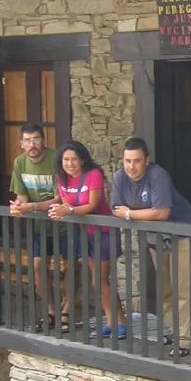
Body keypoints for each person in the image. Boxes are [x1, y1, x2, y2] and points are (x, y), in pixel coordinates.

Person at [110, 137, 191, 357]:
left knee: (184, 288)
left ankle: (186, 340)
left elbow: (161, 212)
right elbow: (115, 209)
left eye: (137, 161)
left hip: (182, 233)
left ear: (146, 160)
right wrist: (137, 214)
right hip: (154, 238)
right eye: (127, 161)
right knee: (167, 289)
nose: (131, 166)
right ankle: (175, 331)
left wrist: (130, 214)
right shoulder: (120, 178)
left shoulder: (158, 175)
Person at [48, 141, 127, 342]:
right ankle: (117, 322)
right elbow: (63, 202)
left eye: (74, 159)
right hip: (86, 233)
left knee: (99, 280)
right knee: (99, 280)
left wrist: (69, 211)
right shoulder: (61, 178)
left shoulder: (93, 175)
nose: (70, 163)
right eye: (66, 159)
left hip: (104, 232)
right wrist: (50, 209)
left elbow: (92, 204)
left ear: (83, 160)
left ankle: (116, 323)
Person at [7, 123, 62, 331]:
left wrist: (33, 206)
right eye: (28, 140)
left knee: (74, 265)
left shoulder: (56, 159)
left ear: (44, 140)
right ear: (21, 144)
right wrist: (18, 207)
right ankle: (51, 311)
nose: (33, 144)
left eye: (36, 139)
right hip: (39, 226)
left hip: (62, 223)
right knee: (39, 266)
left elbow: (60, 197)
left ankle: (65, 310)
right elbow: (21, 196)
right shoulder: (19, 163)